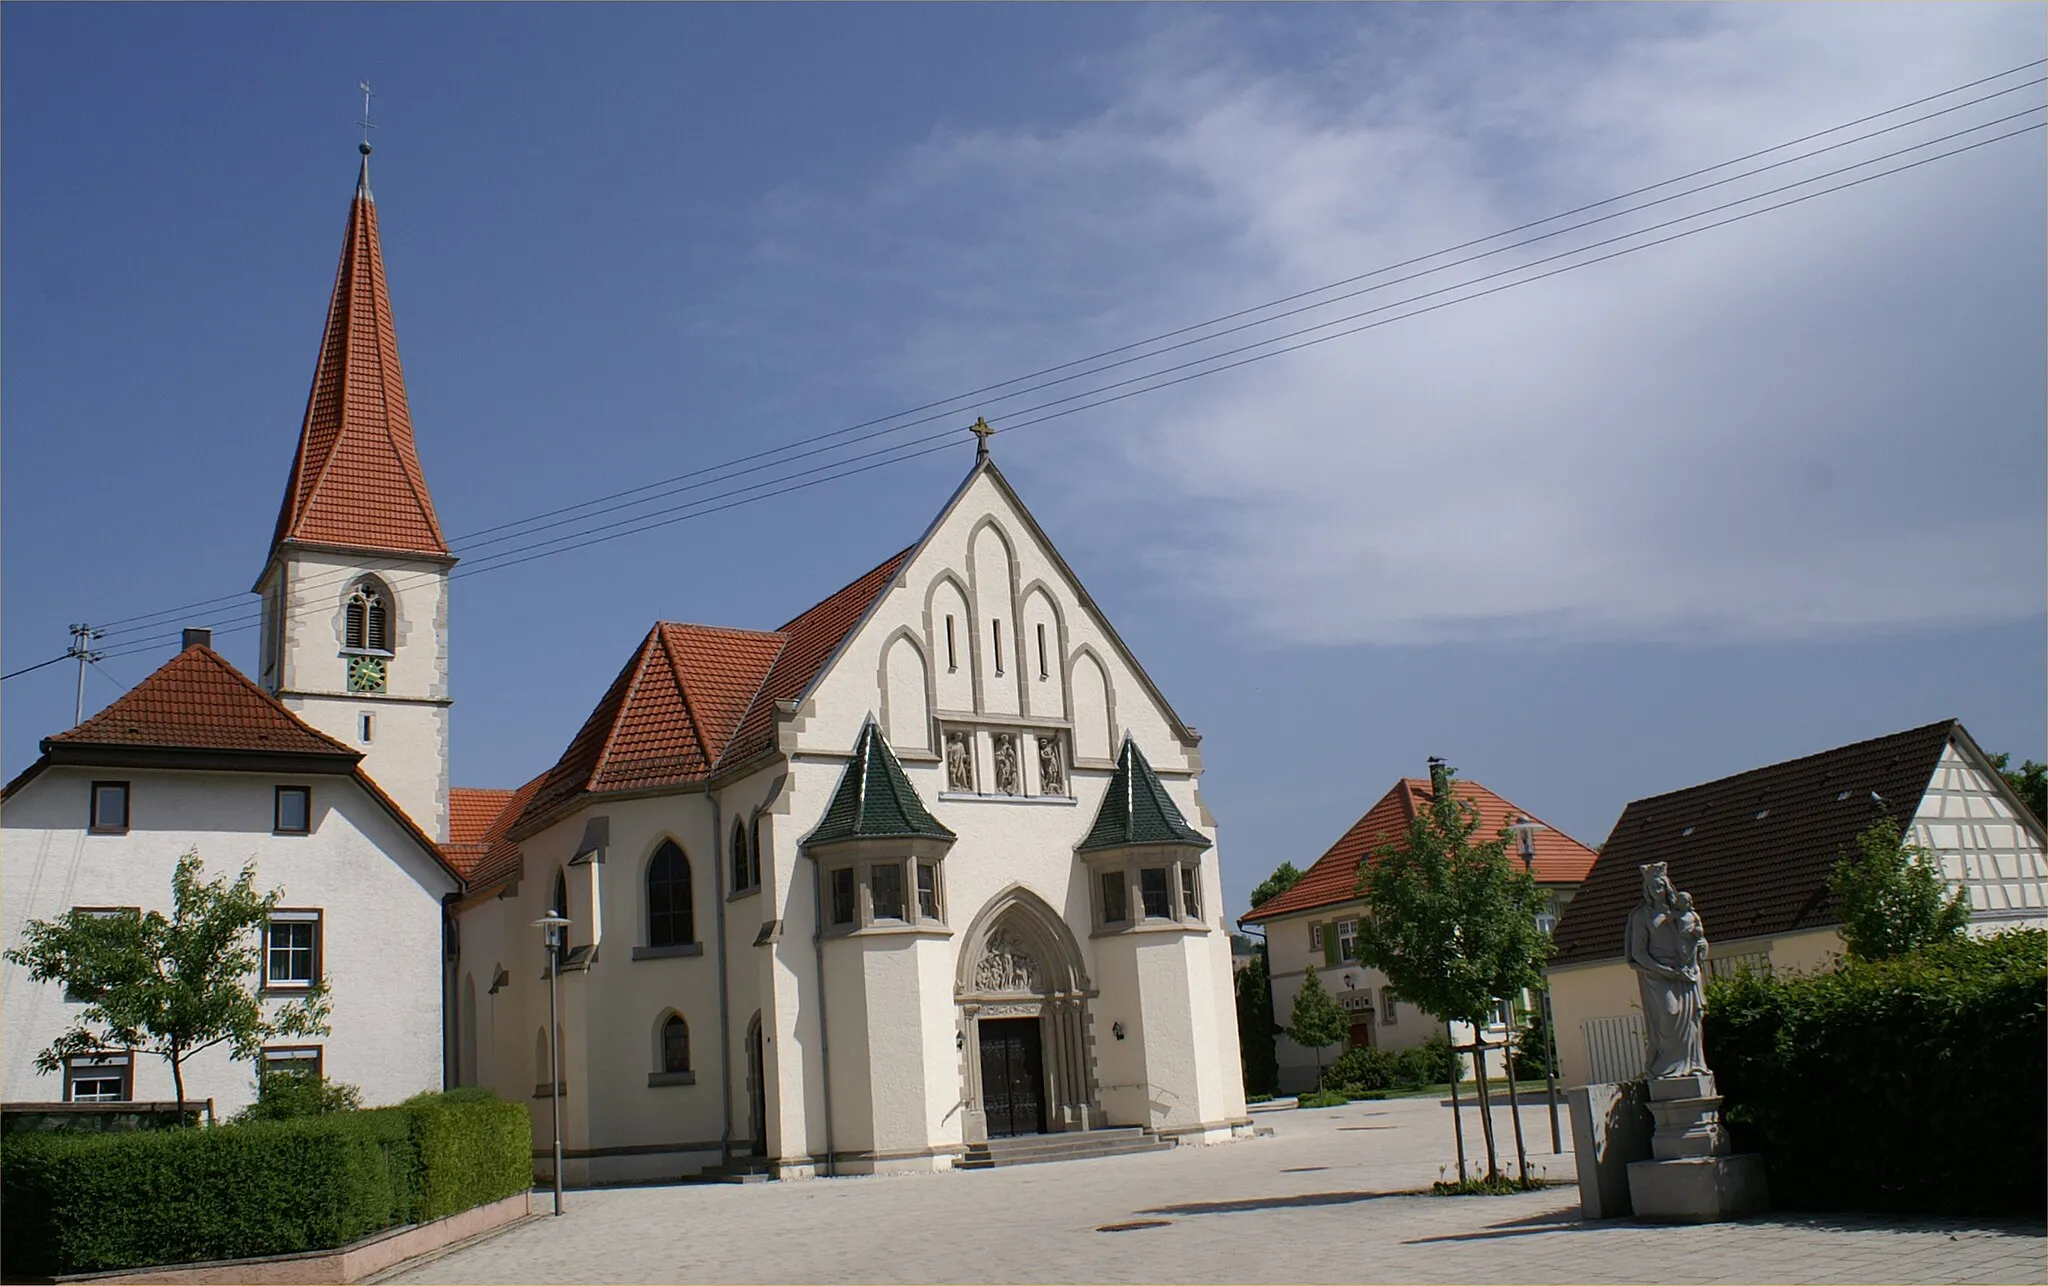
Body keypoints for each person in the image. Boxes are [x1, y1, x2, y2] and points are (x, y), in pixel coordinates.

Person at [1624, 862, 1709, 1079]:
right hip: (1658, 974)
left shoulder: (1680, 910)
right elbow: (1639, 952)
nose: (1657, 890)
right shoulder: (1642, 916)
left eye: (1660, 885)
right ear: (1647, 890)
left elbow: (1698, 938)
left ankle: (1692, 1064)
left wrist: (1698, 947)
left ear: (1666, 885)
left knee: (1691, 1020)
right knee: (1669, 1013)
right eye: (1652, 887)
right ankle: (1667, 1066)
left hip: (1685, 972)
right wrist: (1663, 970)